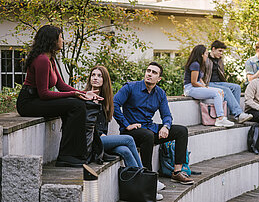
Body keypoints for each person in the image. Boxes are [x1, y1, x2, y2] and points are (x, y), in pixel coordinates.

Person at [16, 25, 102, 167]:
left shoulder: (51, 59)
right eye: (61, 37)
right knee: (75, 105)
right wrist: (74, 94)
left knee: (77, 103)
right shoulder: (42, 60)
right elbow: (44, 94)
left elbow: (61, 86)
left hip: (37, 99)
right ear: (52, 40)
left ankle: (75, 153)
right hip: (28, 103)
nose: (63, 40)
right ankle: (68, 156)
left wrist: (85, 93)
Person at [113, 62, 194, 200]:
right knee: (147, 136)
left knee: (181, 131)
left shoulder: (160, 93)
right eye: (148, 70)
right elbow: (114, 104)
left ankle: (177, 172)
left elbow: (167, 115)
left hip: (149, 128)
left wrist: (165, 126)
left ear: (159, 79)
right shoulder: (130, 88)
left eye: (154, 72)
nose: (149, 74)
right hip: (132, 132)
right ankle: (149, 178)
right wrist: (126, 124)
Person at [85, 65, 143, 167]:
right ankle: (144, 175)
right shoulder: (85, 98)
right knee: (129, 139)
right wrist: (99, 133)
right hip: (92, 141)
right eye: (93, 75)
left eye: (99, 76)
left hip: (102, 140)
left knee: (125, 150)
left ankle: (139, 177)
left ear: (105, 80)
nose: (95, 78)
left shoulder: (105, 101)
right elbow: (84, 124)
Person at [184, 45, 235, 127]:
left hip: (195, 87)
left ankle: (216, 116)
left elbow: (199, 79)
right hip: (190, 88)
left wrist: (205, 86)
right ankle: (220, 118)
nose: (207, 56)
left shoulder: (199, 64)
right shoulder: (195, 64)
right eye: (206, 54)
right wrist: (204, 88)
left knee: (220, 91)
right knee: (216, 93)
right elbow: (193, 82)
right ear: (201, 54)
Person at [203, 40, 253, 123]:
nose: (221, 53)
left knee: (236, 87)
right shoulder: (206, 58)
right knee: (225, 90)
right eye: (219, 51)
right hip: (208, 83)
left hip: (218, 82)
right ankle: (238, 113)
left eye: (222, 52)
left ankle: (235, 115)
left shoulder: (219, 60)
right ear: (213, 49)